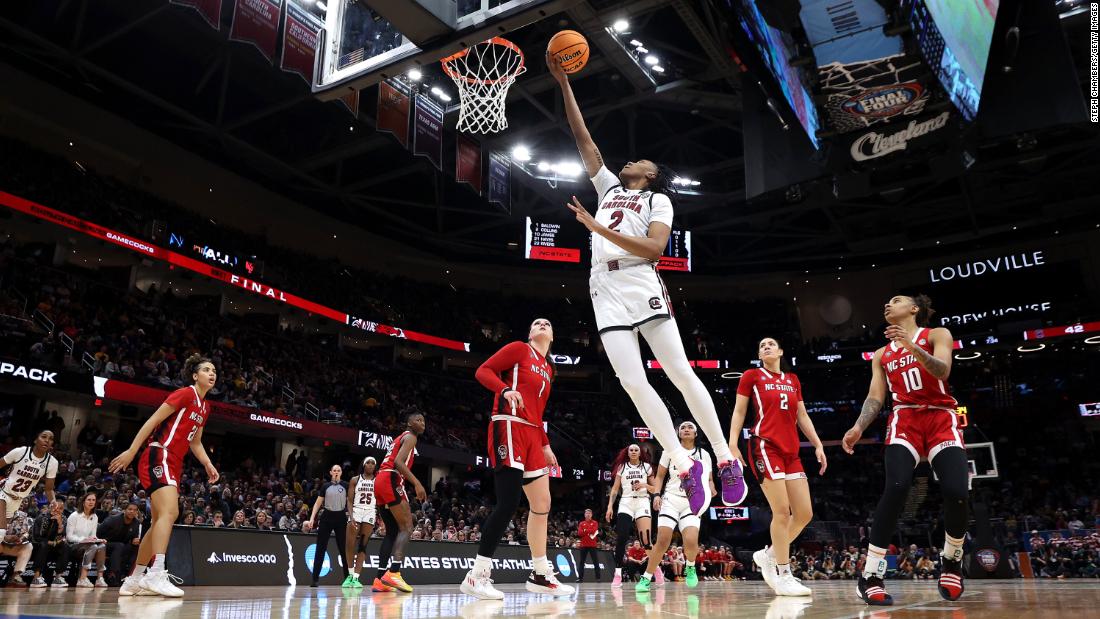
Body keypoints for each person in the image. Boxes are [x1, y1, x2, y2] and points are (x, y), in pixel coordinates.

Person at [548, 50, 745, 514]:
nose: (628, 161)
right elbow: (585, 142)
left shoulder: (658, 200)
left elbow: (655, 250)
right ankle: (681, 463)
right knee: (632, 382)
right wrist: (563, 84)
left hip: (641, 281)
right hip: (603, 287)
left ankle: (724, 455)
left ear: (650, 175)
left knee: (678, 372)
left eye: (639, 161)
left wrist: (598, 230)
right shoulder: (608, 190)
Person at [842, 295, 969, 605]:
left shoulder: (937, 334)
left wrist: (911, 346)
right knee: (897, 487)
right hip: (906, 418)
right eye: (884, 302)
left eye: (895, 301)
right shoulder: (881, 354)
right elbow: (875, 396)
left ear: (914, 309)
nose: (887, 305)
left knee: (956, 489)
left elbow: (942, 371)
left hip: (941, 416)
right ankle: (871, 574)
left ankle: (952, 559)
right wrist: (859, 427)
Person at [460, 319, 575, 600]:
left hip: (534, 434)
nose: (543, 324)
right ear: (530, 332)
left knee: (542, 504)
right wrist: (504, 389)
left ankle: (539, 574)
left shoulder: (548, 368)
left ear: (553, 335)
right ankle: (477, 576)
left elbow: (537, 410)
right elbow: (482, 370)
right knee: (509, 502)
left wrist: (545, 445)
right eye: (537, 323)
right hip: (509, 424)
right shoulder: (519, 349)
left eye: (548, 323)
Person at [109, 353, 219, 597]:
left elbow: (196, 442)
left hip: (174, 462)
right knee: (171, 512)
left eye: (214, 371)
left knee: (159, 521)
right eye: (206, 370)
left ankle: (134, 580)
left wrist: (208, 464)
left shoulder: (205, 406)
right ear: (194, 375)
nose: (212, 373)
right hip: (158, 454)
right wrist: (132, 450)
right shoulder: (185, 393)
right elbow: (152, 420)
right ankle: (157, 573)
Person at [729, 337, 826, 596]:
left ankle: (768, 554)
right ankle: (783, 574)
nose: (766, 347)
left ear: (781, 351)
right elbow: (739, 411)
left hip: (790, 451)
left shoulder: (792, 380)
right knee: (781, 512)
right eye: (761, 346)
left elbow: (802, 415)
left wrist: (817, 444)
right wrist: (732, 443)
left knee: (804, 514)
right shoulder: (752, 376)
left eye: (771, 344)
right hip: (764, 445)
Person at [635, 421, 715, 593]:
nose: (686, 430)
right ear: (678, 433)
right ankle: (646, 577)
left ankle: (691, 566)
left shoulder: (704, 454)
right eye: (683, 428)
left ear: (695, 434)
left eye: (690, 428)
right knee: (663, 540)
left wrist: (711, 488)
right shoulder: (669, 451)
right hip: (670, 499)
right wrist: (656, 495)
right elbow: (660, 476)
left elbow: (709, 479)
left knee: (691, 540)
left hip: (691, 502)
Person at [370, 412, 427, 593]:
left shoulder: (399, 438)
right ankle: (394, 572)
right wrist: (417, 483)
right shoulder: (411, 436)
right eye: (418, 420)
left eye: (424, 421)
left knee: (392, 531)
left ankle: (379, 579)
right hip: (390, 477)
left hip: (379, 479)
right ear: (409, 424)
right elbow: (398, 462)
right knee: (407, 527)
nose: (422, 423)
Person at [605, 443, 656, 587]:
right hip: (626, 502)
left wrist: (644, 485)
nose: (633, 452)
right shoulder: (622, 467)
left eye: (636, 450)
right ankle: (618, 574)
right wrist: (610, 506)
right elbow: (615, 490)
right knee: (622, 537)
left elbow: (654, 489)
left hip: (642, 502)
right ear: (628, 453)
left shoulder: (647, 467)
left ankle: (655, 569)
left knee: (646, 540)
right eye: (631, 450)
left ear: (640, 453)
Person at [0, 430, 58, 542]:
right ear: (35, 440)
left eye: (51, 439)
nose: (47, 440)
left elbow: (49, 489)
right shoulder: (20, 452)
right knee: (1, 532)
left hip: (17, 500)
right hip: (3, 492)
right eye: (44, 437)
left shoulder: (52, 463)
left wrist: (53, 502)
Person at [305, 464, 351, 587]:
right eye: (334, 470)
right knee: (320, 548)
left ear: (341, 472)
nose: (336, 472)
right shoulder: (325, 486)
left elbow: (350, 503)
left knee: (343, 549)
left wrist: (352, 518)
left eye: (338, 470)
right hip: (326, 517)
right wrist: (312, 518)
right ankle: (315, 579)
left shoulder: (346, 485)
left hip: (341, 517)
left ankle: (347, 579)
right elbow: (317, 503)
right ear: (331, 472)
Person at [343, 456, 378, 588]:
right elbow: (350, 500)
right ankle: (350, 575)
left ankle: (356, 578)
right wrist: (351, 517)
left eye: (373, 463)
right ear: (363, 465)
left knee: (363, 546)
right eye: (368, 462)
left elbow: (380, 501)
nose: (370, 465)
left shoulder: (377, 481)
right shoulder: (355, 480)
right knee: (350, 544)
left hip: (370, 512)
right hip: (356, 511)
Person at [66, 491, 107, 587]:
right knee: (92, 546)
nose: (91, 502)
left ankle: (99, 578)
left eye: (93, 500)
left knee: (102, 546)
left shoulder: (95, 516)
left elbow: (93, 535)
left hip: (88, 544)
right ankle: (82, 578)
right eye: (89, 500)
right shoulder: (74, 516)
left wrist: (98, 540)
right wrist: (83, 540)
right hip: (73, 545)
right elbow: (69, 537)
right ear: (83, 501)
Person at [97, 501, 144, 586]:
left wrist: (135, 541)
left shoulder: (136, 523)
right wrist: (101, 541)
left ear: (137, 512)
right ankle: (114, 574)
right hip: (104, 544)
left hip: (121, 546)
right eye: (130, 509)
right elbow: (98, 532)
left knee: (136, 547)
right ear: (124, 510)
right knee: (119, 546)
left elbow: (134, 538)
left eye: (134, 510)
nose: (132, 511)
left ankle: (130, 575)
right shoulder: (112, 519)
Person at [29, 497, 70, 588]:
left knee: (65, 546)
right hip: (38, 544)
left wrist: (59, 524)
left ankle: (58, 577)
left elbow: (62, 536)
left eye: (60, 508)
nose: (57, 510)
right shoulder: (42, 517)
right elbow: (36, 537)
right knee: (44, 545)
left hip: (54, 544)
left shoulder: (63, 518)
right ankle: (36, 577)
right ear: (50, 507)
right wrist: (50, 542)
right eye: (54, 507)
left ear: (63, 510)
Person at [0, 506, 33, 587]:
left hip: (11, 546)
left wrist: (20, 539)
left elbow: (25, 532)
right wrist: (4, 537)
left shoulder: (22, 515)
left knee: (28, 546)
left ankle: (15, 576)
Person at [575, 509, 601, 583]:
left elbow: (594, 530)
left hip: (593, 545)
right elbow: (579, 533)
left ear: (591, 515)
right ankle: (580, 578)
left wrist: (585, 530)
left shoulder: (595, 522)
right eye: (586, 513)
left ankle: (598, 578)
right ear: (584, 514)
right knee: (581, 562)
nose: (588, 514)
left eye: (589, 513)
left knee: (596, 562)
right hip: (583, 545)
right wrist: (588, 531)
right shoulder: (581, 523)